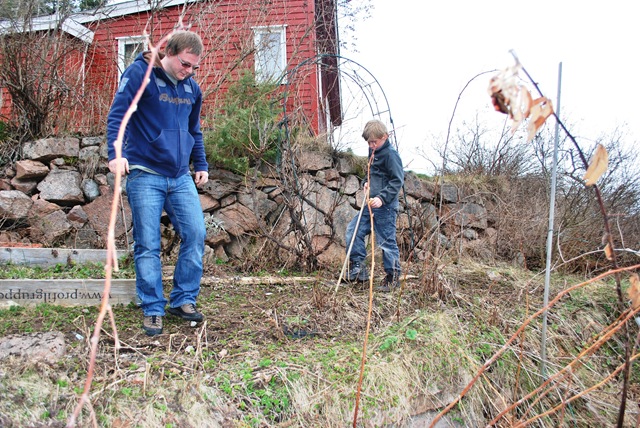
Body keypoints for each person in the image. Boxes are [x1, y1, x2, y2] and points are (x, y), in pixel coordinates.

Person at [106, 30, 209, 336]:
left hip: (179, 176)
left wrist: (200, 163)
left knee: (196, 233)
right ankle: (152, 307)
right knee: (148, 244)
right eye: (184, 63)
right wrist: (116, 153)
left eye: (193, 67)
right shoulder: (141, 74)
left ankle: (183, 300)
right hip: (145, 172)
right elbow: (117, 115)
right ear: (169, 52)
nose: (188, 71)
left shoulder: (191, 89)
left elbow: (194, 130)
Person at [345, 119, 404, 292]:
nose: (371, 145)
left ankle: (393, 278)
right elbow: (371, 173)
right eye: (369, 142)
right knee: (353, 230)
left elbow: (397, 181)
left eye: (374, 142)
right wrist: (365, 182)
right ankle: (358, 269)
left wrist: (382, 198)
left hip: (384, 207)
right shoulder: (373, 152)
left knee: (386, 242)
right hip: (370, 205)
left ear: (384, 137)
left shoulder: (391, 155)